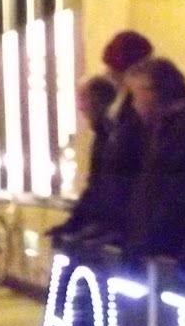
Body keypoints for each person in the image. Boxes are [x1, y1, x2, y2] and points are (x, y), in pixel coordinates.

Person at [51, 30, 152, 243]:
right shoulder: (121, 118)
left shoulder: (132, 119)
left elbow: (115, 181)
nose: (110, 75)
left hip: (124, 229)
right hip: (120, 227)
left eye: (114, 70)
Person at [121, 57, 185, 261]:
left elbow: (177, 191)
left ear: (151, 93)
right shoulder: (165, 127)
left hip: (177, 250)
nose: (133, 104)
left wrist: (148, 240)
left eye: (134, 95)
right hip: (165, 247)